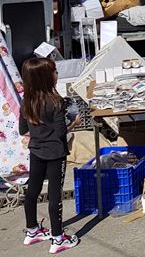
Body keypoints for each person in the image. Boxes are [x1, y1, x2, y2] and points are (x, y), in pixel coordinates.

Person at [19, 58, 80, 253]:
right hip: (56, 153)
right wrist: (74, 123)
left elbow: (22, 130)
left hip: (36, 151)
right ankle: (58, 237)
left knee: (32, 191)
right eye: (54, 72)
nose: (57, 75)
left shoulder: (26, 101)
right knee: (55, 196)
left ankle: (32, 230)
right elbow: (61, 132)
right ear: (46, 78)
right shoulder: (56, 102)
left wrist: (39, 133)